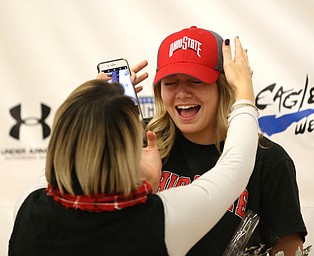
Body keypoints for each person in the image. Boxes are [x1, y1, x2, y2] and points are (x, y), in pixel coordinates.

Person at [9, 37, 259, 256]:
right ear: (129, 155)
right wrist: (244, 92)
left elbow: (66, 151)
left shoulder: (29, 204)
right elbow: (234, 167)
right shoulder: (159, 222)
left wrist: (95, 100)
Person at [145, 26, 307, 255]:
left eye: (196, 80)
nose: (182, 93)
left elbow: (290, 250)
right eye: (170, 82)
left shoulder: (268, 160)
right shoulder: (142, 142)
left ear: (224, 85)